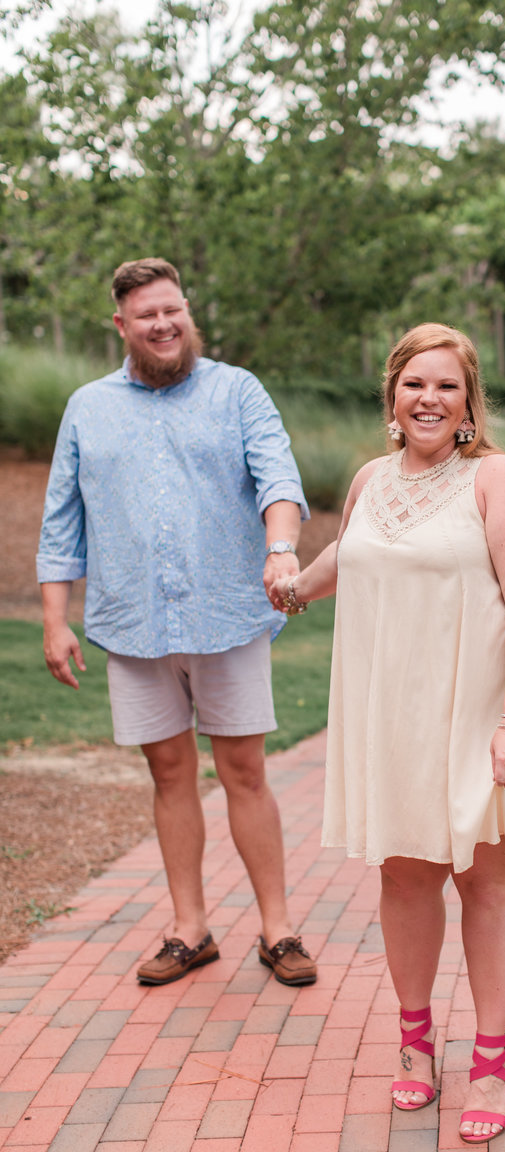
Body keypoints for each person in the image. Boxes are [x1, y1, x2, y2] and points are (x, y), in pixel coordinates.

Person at [269, 323, 505, 1143]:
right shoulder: (371, 478)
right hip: (390, 713)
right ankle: (413, 1048)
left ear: (469, 401)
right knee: (406, 877)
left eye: (446, 386)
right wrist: (295, 588)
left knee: (487, 881)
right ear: (392, 397)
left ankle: (491, 1061)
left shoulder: (498, 481)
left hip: (481, 713)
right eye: (414, 385)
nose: (429, 399)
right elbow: (354, 553)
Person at [37, 257, 317, 988]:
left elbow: (279, 479)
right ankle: (190, 928)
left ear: (187, 310)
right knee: (168, 774)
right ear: (121, 325)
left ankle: (278, 928)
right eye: (146, 315)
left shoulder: (236, 391)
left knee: (245, 771)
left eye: (173, 310)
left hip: (227, 614)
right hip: (132, 623)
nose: (163, 325)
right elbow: (61, 522)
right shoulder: (87, 408)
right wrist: (55, 621)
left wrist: (281, 550)